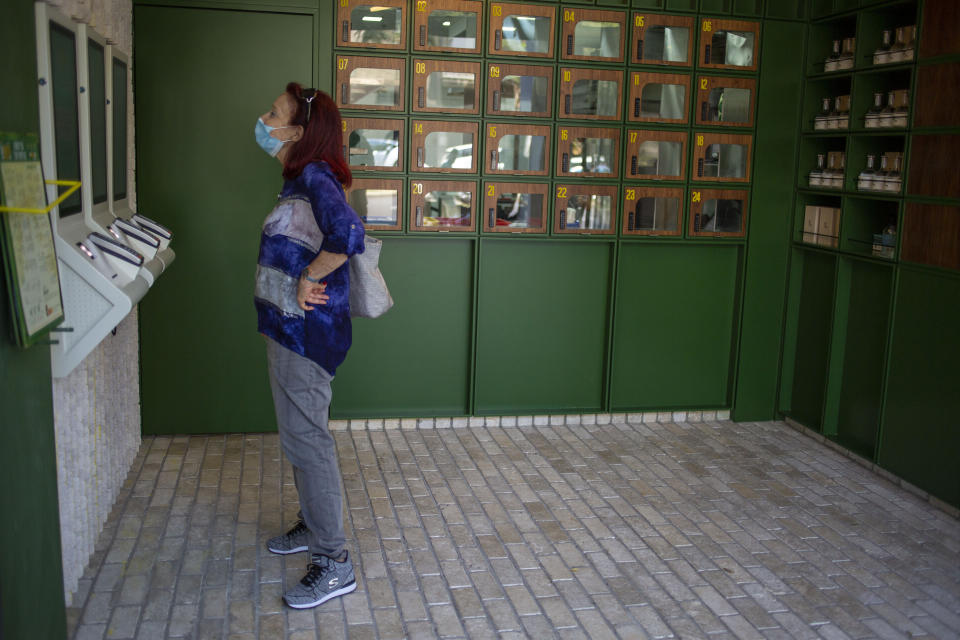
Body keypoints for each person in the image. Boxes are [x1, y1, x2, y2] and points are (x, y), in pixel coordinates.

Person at [252, 83, 364, 609]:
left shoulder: (315, 176)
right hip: (287, 329)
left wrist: (307, 279)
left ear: (298, 132)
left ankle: (334, 561)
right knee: (299, 438)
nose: (263, 118)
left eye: (273, 114)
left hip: (306, 334)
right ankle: (311, 522)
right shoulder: (297, 179)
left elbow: (347, 235)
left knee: (309, 440)